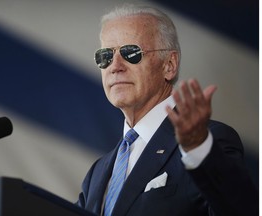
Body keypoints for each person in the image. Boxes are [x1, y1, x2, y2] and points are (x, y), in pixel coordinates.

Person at [77, 4, 258, 216]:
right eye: (105, 56)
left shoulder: (209, 142)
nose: (115, 66)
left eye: (131, 53)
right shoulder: (97, 173)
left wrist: (198, 147)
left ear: (169, 65)